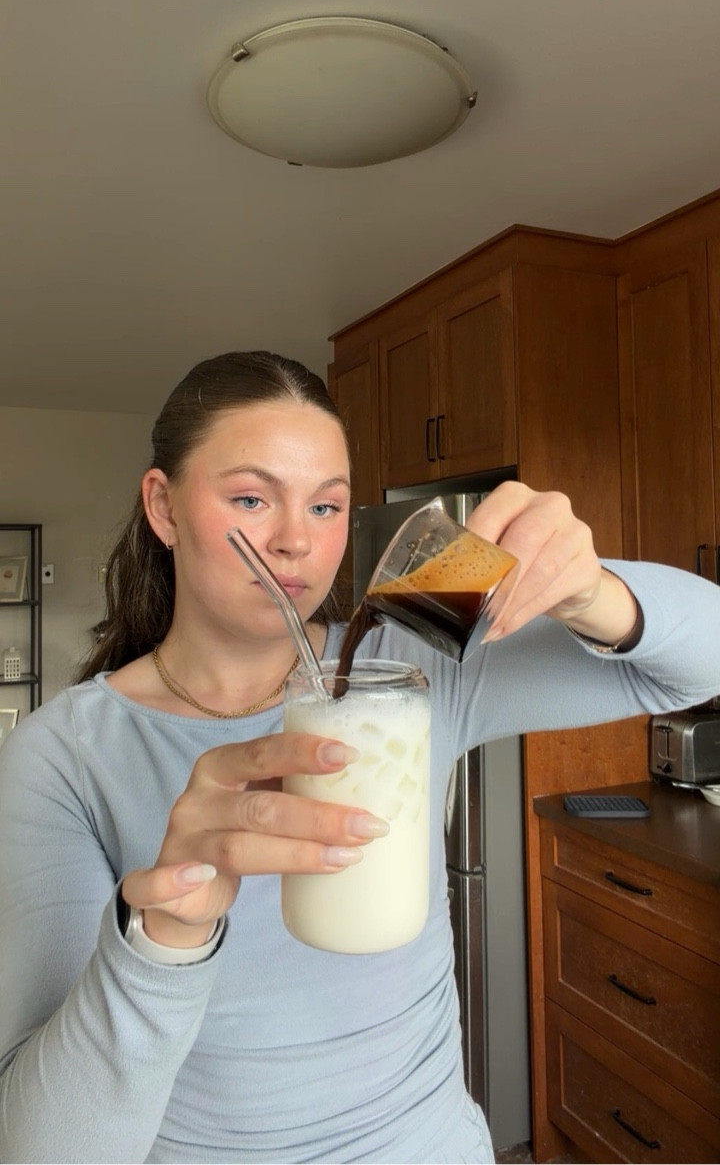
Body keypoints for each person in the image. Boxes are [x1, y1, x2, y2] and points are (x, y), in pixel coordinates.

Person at [1, 349, 719, 1165]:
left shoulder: (412, 670)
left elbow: (707, 659)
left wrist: (591, 593)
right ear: (163, 509)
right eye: (249, 498)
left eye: (326, 506)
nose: (294, 544)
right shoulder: (61, 757)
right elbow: (42, 1150)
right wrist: (161, 934)